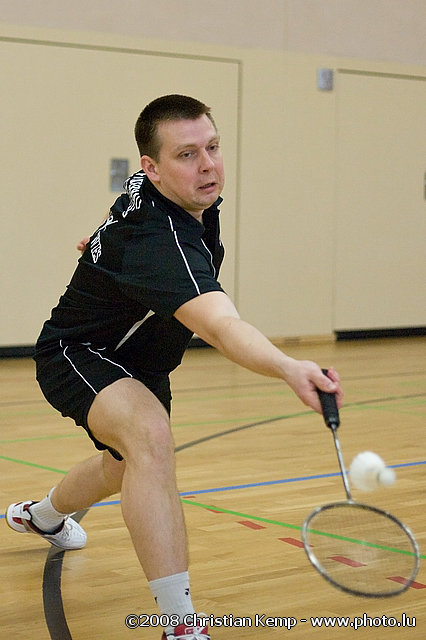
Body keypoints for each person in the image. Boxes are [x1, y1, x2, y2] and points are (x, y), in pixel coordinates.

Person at [7, 95, 343, 640]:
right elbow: (221, 327)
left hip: (144, 363)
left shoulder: (155, 191)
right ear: (154, 166)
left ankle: (41, 516)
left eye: (213, 147)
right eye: (187, 155)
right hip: (80, 351)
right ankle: (180, 625)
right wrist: (288, 367)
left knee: (121, 466)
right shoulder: (161, 242)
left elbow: (125, 207)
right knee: (151, 438)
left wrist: (100, 239)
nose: (207, 165)